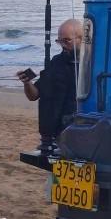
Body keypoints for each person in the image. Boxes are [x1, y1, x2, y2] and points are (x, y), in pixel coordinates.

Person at [17, 18, 82, 151]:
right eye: (60, 41)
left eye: (67, 40)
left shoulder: (94, 64)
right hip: (56, 136)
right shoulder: (56, 62)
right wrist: (27, 82)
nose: (63, 45)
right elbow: (34, 95)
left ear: (81, 39)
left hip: (83, 132)